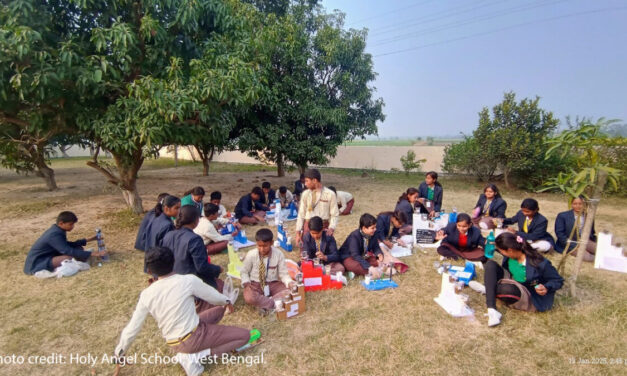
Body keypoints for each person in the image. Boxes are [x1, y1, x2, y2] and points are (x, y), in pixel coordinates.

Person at [114, 246, 249, 363]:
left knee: (219, 310)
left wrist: (120, 351)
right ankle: (199, 356)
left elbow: (133, 327)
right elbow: (214, 297)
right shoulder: (187, 281)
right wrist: (227, 301)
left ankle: (196, 350)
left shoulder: (146, 294)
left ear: (149, 271)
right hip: (193, 337)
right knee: (244, 336)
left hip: (173, 341)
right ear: (174, 262)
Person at [483, 232, 564, 327]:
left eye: (502, 251)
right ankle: (492, 310)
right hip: (511, 280)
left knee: (504, 289)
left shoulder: (539, 262)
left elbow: (558, 280)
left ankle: (489, 289)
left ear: (510, 250)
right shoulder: (511, 253)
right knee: (490, 265)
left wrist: (546, 287)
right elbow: (496, 246)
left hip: (527, 292)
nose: (501, 253)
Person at [162, 206, 223, 298]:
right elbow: (202, 268)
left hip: (170, 279)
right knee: (220, 286)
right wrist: (218, 269)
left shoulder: (168, 235)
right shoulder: (194, 239)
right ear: (196, 220)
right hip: (188, 282)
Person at [24, 211, 107, 275]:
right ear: (61, 223)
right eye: (70, 224)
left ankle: (79, 260)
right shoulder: (54, 234)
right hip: (37, 263)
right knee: (67, 258)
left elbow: (66, 244)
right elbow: (67, 250)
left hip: (50, 256)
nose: (72, 227)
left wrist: (88, 240)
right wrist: (92, 253)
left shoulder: (58, 230)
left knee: (78, 249)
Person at [241, 229, 295, 312]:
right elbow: (244, 271)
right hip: (255, 284)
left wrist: (289, 282)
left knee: (291, 290)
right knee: (249, 297)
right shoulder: (251, 254)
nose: (262, 249)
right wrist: (246, 283)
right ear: (256, 244)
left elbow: (283, 274)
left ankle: (264, 305)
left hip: (272, 284)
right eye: (259, 246)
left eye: (265, 246)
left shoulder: (278, 254)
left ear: (271, 243)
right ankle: (273, 304)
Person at [295, 169, 339, 245]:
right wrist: (298, 232)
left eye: (307, 181)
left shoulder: (330, 194)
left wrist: (331, 228)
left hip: (323, 226)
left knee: (324, 252)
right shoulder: (305, 194)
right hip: (308, 226)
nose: (305, 184)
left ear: (314, 180)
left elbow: (334, 214)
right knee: (306, 253)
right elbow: (301, 214)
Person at [555, 196, 597, 261]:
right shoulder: (563, 216)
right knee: (588, 257)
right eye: (575, 204)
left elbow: (592, 232)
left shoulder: (588, 216)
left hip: (585, 240)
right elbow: (560, 235)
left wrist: (592, 243)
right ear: (571, 204)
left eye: (580, 204)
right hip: (570, 243)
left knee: (599, 251)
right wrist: (574, 245)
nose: (578, 206)